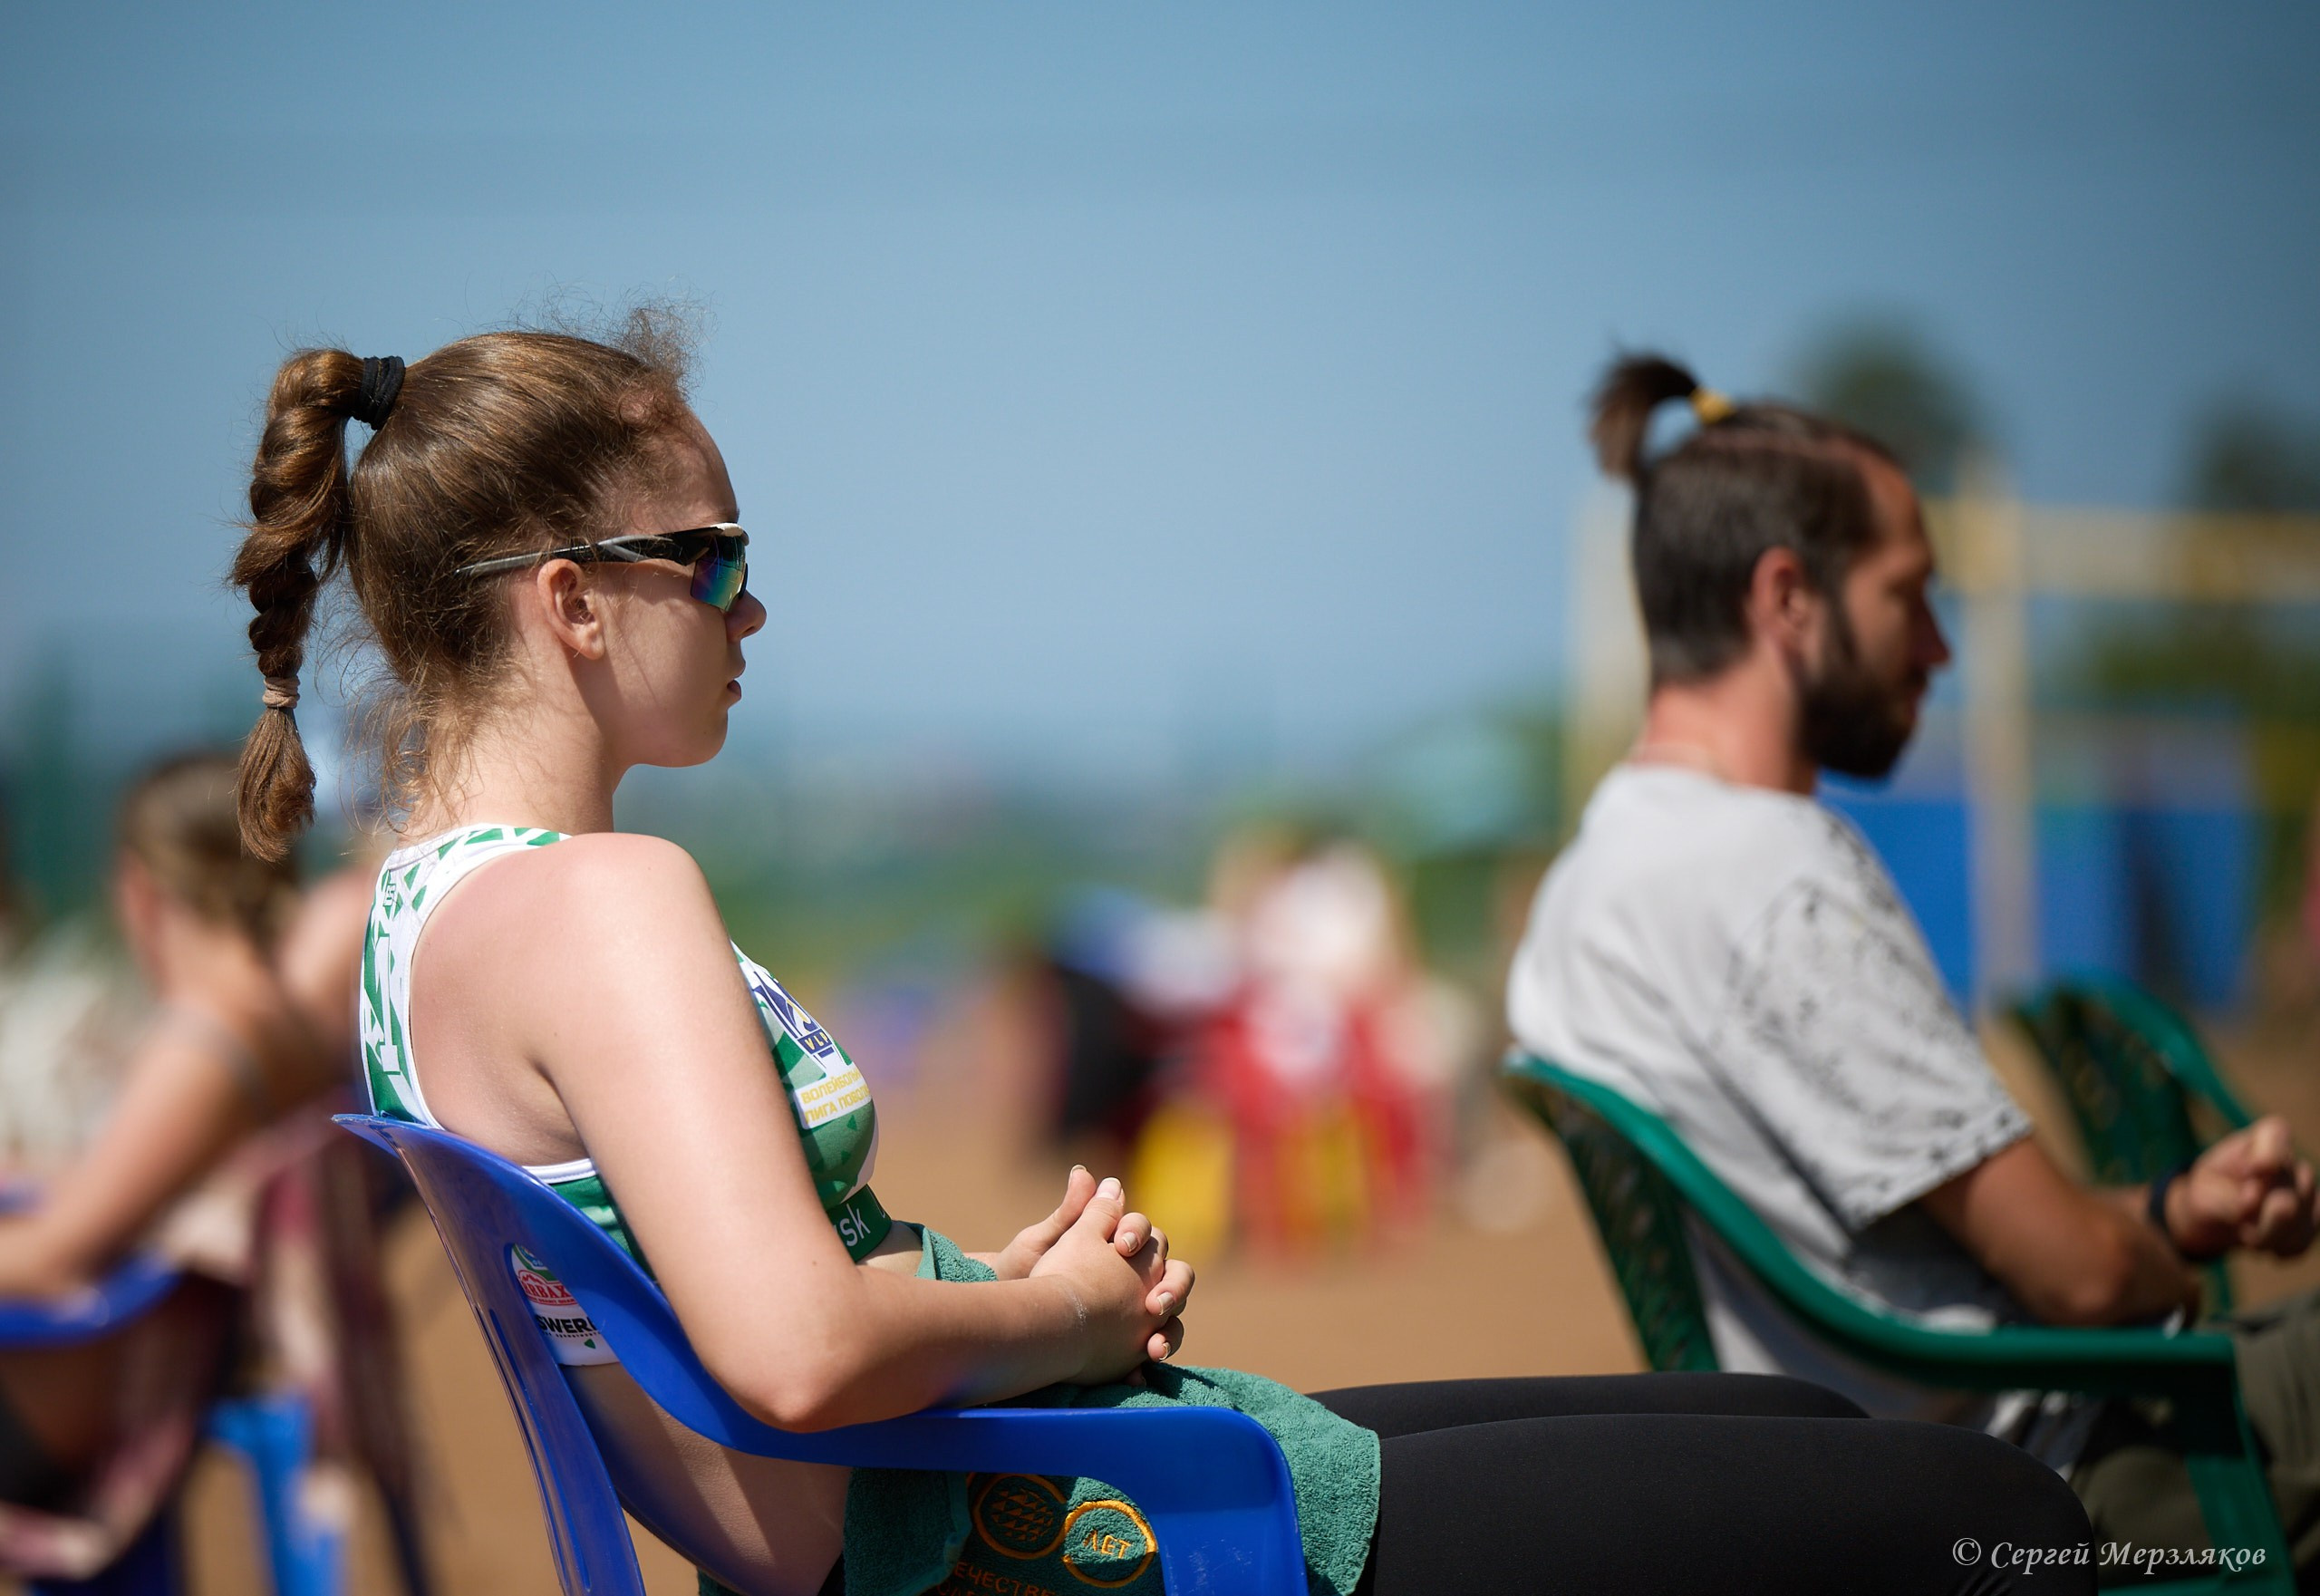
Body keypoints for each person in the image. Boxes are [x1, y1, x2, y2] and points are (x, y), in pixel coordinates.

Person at [241, 318, 2096, 1596]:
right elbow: (797, 1358)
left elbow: (742, 1329)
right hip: (1046, 1538)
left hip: (978, 1496)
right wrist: (1062, 1315)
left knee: (1777, 1421)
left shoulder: (412, 927)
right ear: (572, 601)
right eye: (714, 558)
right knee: (1987, 1511)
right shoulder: (604, 899)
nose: (755, 605)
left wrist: (986, 1292)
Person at [1508, 353, 2320, 1572]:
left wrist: (2170, 1210)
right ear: (1788, 598)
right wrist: (2170, 1250)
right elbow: (2084, 1282)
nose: (1938, 647)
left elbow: (1922, 1250)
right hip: (2050, 1485)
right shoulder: (1774, 877)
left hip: (1834, 1482)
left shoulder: (1585, 885)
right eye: (1909, 594)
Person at [0, 753, 371, 1523]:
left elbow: (53, 1259)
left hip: (56, 1420)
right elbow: (132, 1187)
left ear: (139, 889)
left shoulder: (206, 1042)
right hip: (134, 1385)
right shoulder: (290, 1025)